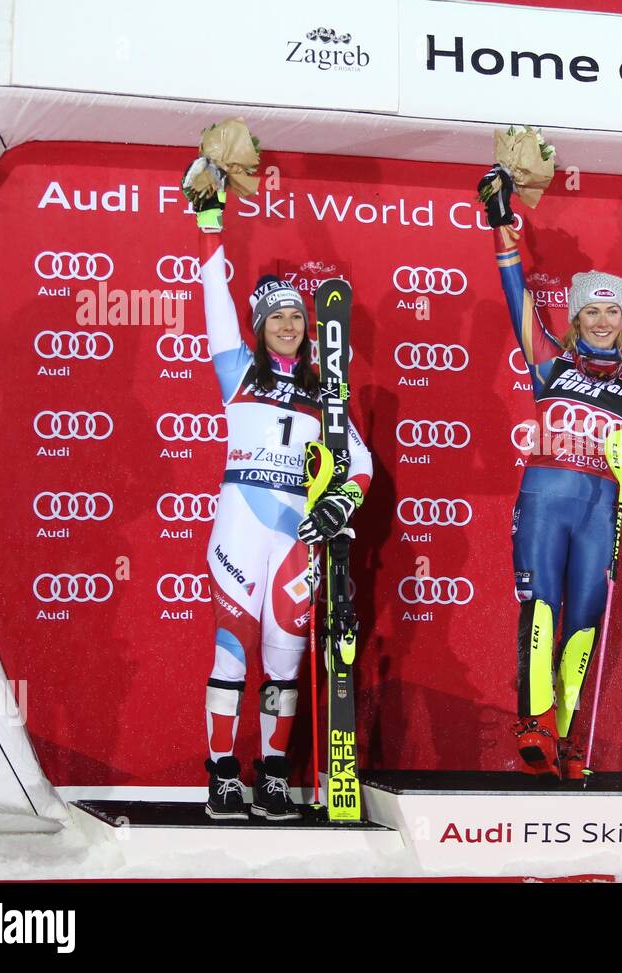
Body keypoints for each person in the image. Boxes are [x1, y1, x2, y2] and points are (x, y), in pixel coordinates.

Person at [479, 165, 622, 780]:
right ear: (574, 317)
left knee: (584, 624)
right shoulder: (549, 365)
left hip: (602, 509)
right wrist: (501, 229)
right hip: (545, 500)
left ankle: (566, 739)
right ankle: (534, 722)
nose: (601, 321)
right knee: (539, 610)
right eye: (591, 311)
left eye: (611, 313)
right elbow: (516, 298)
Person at [189, 178, 373, 821]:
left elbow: (363, 463)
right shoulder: (236, 370)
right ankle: (220, 775)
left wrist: (338, 504)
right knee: (232, 649)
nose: (289, 326)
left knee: (284, 660)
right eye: (278, 317)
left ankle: (271, 778)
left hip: (300, 531)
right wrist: (210, 224)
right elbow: (215, 296)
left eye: (298, 317)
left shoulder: (329, 394)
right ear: (261, 325)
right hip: (241, 522)